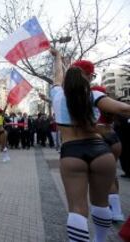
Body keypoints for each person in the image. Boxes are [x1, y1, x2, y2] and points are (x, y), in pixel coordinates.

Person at [50, 49, 130, 242]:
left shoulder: (57, 94)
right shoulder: (94, 95)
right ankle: (100, 240)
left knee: (77, 208)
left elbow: (57, 77)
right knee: (101, 204)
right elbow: (124, 109)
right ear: (87, 77)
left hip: (72, 154)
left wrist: (58, 58)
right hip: (101, 152)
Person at [91, 85, 125, 222]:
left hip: (100, 138)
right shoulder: (110, 104)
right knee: (112, 176)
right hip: (114, 138)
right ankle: (115, 208)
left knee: (104, 178)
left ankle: (114, 211)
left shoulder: (92, 104)